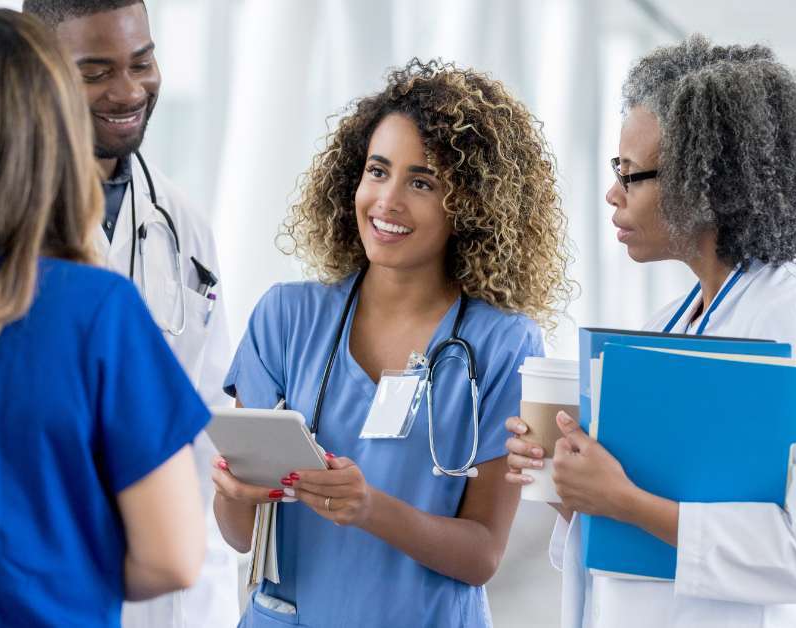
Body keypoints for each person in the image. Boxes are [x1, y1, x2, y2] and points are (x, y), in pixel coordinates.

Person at [505, 36, 796, 627]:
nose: (613, 193)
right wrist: (568, 482)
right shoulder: (663, 325)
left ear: (706, 183)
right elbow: (620, 529)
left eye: (630, 174)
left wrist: (626, 501)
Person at [214, 59, 572, 627]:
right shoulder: (286, 317)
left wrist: (369, 508)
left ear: (471, 206)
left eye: (422, 182)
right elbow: (238, 537)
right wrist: (236, 493)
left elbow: (482, 555)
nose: (388, 202)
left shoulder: (504, 345)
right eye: (378, 171)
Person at [0, 9, 207, 627]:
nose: (129, 89)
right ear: (52, 125)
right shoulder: (96, 312)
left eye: (141, 62)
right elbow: (172, 557)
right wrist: (53, 571)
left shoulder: (160, 243)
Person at [22, 1, 238, 625]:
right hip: (36, 582)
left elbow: (208, 418)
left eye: (142, 62)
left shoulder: (182, 222)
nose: (128, 91)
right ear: (40, 72)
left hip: (168, 592)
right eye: (95, 72)